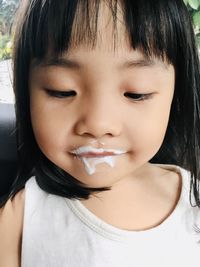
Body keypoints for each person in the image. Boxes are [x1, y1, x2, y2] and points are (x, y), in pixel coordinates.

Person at [0, 0, 200, 266]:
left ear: (177, 94)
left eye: (136, 93)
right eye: (62, 90)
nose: (98, 123)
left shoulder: (193, 204)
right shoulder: (22, 216)